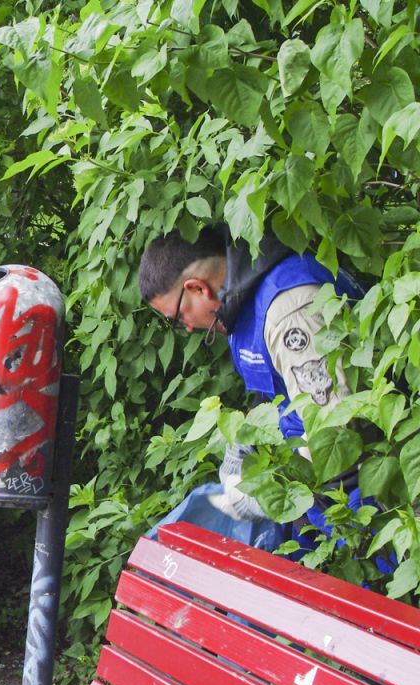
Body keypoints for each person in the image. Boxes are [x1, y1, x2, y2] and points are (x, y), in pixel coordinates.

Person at [139, 226, 386, 562]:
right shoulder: (241, 307)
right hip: (323, 500)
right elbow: (274, 397)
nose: (186, 327)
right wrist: (241, 446)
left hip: (370, 497)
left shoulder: (288, 308)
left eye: (179, 315)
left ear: (196, 288)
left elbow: (338, 433)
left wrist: (268, 495)